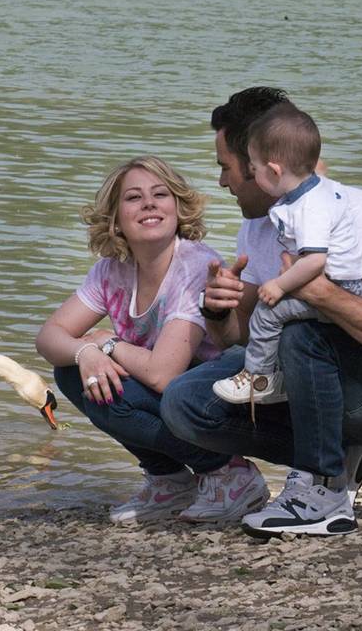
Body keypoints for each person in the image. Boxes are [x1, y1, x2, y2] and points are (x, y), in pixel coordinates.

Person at [160, 87, 362, 537]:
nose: (222, 182)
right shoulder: (261, 225)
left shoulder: (356, 213)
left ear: (262, 168)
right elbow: (241, 335)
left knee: (301, 333)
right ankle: (338, 454)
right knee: (185, 403)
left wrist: (320, 294)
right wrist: (216, 308)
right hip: (313, 374)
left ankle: (322, 492)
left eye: (227, 167)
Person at [36, 155, 270, 526]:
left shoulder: (194, 266)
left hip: (213, 400)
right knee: (72, 373)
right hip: (169, 391)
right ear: (115, 219)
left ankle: (230, 475)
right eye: (133, 197)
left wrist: (107, 343)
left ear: (178, 207)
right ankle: (170, 481)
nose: (148, 203)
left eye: (160, 194)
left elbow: (164, 374)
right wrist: (85, 351)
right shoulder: (111, 270)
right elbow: (49, 337)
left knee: (113, 383)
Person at [212, 103, 362, 406]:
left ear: (273, 170)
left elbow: (314, 260)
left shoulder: (309, 207)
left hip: (342, 291)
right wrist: (218, 304)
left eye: (254, 170)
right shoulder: (313, 195)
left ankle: (260, 380)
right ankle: (275, 378)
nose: (221, 181)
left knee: (268, 315)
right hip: (342, 294)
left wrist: (279, 286)